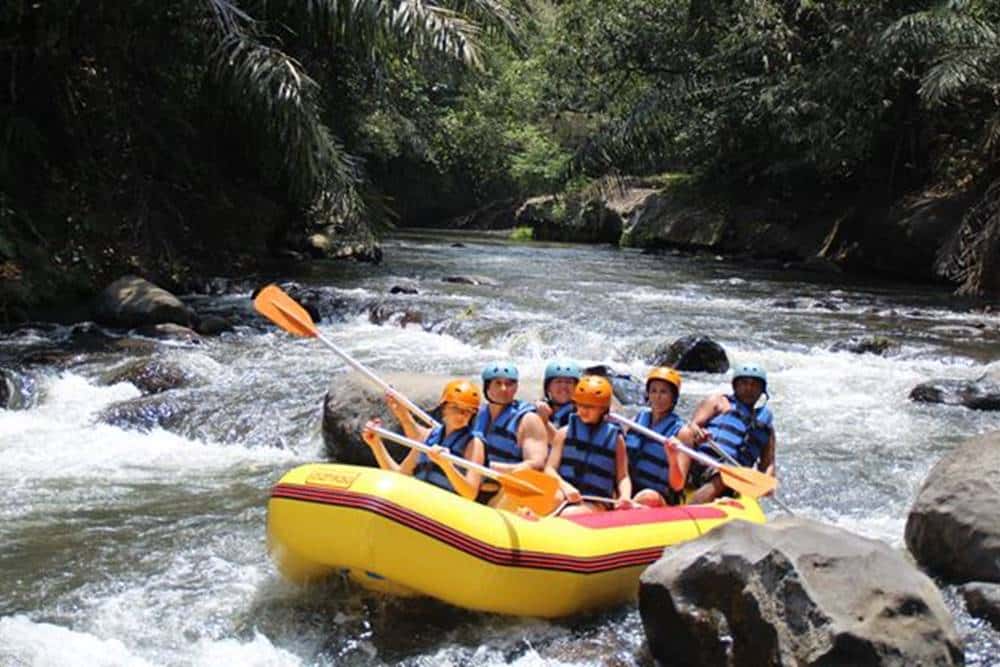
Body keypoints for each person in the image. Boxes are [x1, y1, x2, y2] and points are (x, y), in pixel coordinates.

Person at [361, 379, 485, 500]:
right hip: (419, 502)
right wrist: (376, 444)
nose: (461, 414)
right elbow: (399, 475)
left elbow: (470, 494)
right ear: (444, 407)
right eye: (456, 407)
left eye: (468, 411)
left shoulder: (473, 444)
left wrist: (447, 466)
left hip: (445, 507)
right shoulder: (428, 437)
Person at [681, 363, 776, 504]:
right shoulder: (719, 402)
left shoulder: (766, 427)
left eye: (755, 385)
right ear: (735, 385)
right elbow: (692, 426)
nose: (749, 388)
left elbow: (768, 463)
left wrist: (768, 482)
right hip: (704, 464)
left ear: (762, 390)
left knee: (730, 474)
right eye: (744, 383)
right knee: (726, 473)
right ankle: (692, 509)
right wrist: (700, 434)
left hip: (737, 478)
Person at [545, 375, 632, 515]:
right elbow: (549, 470)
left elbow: (623, 477)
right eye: (580, 405)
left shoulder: (616, 439)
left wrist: (625, 496)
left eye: (590, 406)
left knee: (570, 514)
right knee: (554, 498)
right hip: (565, 494)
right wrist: (565, 487)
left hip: (596, 503)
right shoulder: (563, 433)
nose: (583, 410)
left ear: (603, 409)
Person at [474, 361, 549, 507]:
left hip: (506, 491)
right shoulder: (476, 414)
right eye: (498, 383)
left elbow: (536, 463)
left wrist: (490, 467)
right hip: (474, 483)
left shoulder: (528, 420)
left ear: (516, 387)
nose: (504, 389)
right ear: (486, 387)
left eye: (509, 384)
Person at [625, 367, 698, 507]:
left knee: (647, 497)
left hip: (660, 496)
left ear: (673, 397)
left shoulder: (682, 433)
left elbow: (678, 485)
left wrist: (672, 456)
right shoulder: (636, 420)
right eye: (653, 391)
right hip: (630, 488)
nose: (657, 397)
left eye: (664, 392)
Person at [534, 358, 581, 442]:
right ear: (548, 387)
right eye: (558, 381)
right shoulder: (538, 408)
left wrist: (545, 421)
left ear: (576, 388)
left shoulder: (581, 415)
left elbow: (564, 447)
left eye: (569, 382)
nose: (563, 386)